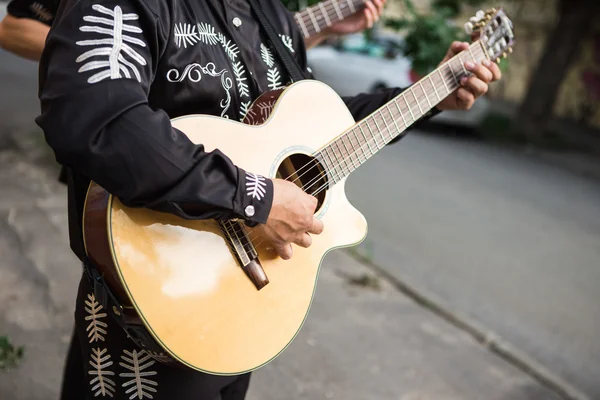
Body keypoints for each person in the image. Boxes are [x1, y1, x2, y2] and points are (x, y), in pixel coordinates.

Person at [35, 0, 501, 398]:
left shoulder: (270, 14)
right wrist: (255, 200)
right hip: (149, 299)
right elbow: (99, 118)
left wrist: (432, 96)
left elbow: (321, 129)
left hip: (243, 308)